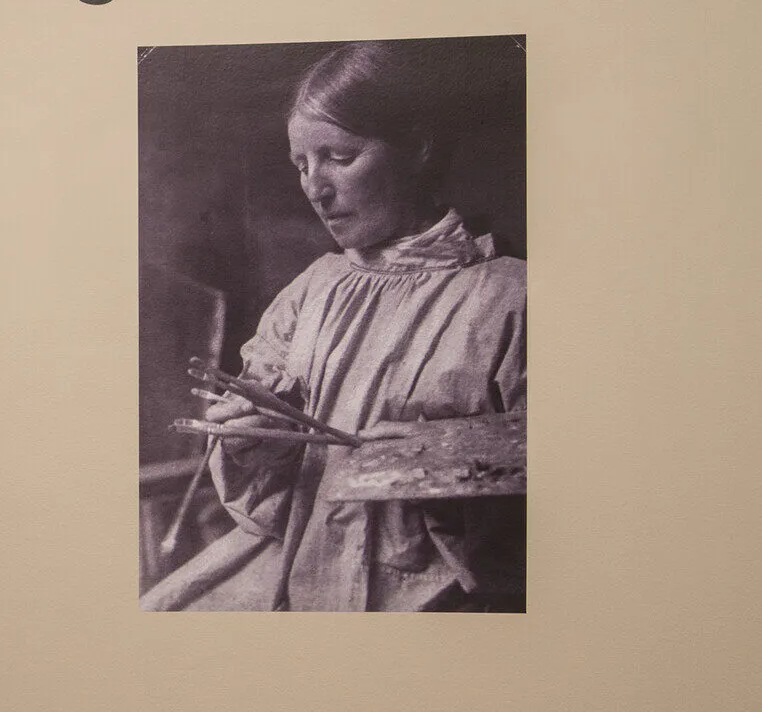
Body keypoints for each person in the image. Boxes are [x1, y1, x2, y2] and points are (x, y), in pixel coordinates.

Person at [144, 40, 526, 611]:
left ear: (416, 148)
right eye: (301, 165)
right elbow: (268, 503)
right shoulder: (310, 291)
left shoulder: (510, 296)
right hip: (307, 580)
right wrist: (253, 442)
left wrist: (449, 453)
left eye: (339, 158)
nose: (315, 188)